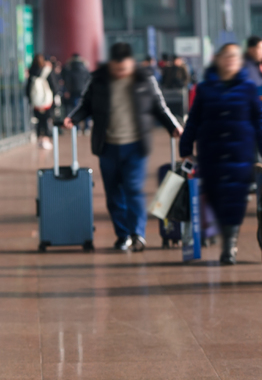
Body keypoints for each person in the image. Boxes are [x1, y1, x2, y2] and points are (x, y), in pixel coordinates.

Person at [63, 42, 182, 252]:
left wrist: (173, 126)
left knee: (133, 189)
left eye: (125, 69)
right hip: (107, 146)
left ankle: (138, 234)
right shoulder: (98, 80)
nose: (121, 73)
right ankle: (122, 235)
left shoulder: (144, 79)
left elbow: (159, 106)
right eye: (117, 69)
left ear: (131, 63)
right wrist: (73, 118)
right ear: (110, 64)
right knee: (113, 194)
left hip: (135, 146)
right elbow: (86, 105)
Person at [180, 43, 262, 265]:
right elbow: (193, 120)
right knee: (214, 196)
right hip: (211, 152)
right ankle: (224, 234)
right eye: (226, 56)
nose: (231, 60)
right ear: (218, 59)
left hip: (239, 153)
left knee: (235, 199)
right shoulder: (205, 88)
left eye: (235, 56)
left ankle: (229, 244)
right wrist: (186, 147)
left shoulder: (248, 88)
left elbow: (260, 120)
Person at [27, 53, 59, 149]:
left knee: (38, 120)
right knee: (46, 120)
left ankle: (40, 139)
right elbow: (54, 86)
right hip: (47, 101)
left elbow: (28, 88)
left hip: (36, 102)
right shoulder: (47, 71)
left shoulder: (31, 72)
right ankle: (46, 139)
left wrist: (30, 99)